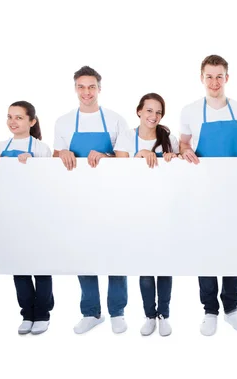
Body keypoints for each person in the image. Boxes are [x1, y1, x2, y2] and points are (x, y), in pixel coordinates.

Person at [179, 54, 237, 336]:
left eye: (219, 76)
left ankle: (231, 308)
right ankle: (210, 310)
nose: (214, 82)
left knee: (232, 250)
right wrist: (184, 151)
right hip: (203, 193)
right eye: (209, 76)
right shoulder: (189, 111)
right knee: (206, 250)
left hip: (234, 194)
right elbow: (184, 145)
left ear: (227, 78)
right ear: (202, 78)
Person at [53, 66, 131, 334]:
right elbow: (54, 161)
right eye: (81, 87)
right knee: (83, 253)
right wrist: (62, 152)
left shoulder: (115, 119)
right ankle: (91, 312)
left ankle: (117, 311)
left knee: (114, 252)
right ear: (75, 88)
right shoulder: (63, 122)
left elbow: (124, 160)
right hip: (77, 200)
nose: (86, 92)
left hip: (112, 198)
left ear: (100, 88)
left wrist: (106, 157)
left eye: (91, 87)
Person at [115, 93, 179, 336]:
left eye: (158, 112)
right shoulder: (127, 137)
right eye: (149, 110)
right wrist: (138, 155)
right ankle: (149, 315)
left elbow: (178, 175)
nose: (154, 116)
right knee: (144, 266)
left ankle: (164, 314)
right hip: (136, 210)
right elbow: (118, 170)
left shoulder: (168, 138)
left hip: (164, 210)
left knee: (163, 265)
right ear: (139, 111)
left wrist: (174, 158)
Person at [0, 101, 54, 335]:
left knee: (41, 266)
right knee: (19, 265)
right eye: (9, 117)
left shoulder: (41, 148)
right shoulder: (0, 145)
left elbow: (50, 185)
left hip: (38, 216)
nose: (12, 122)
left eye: (19, 117)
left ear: (32, 121)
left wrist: (32, 163)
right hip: (11, 215)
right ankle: (27, 314)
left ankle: (43, 314)